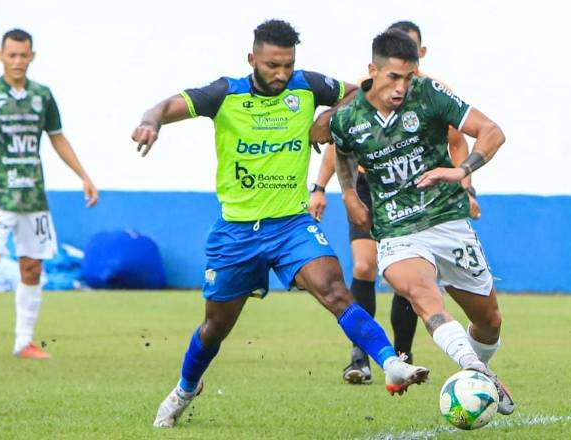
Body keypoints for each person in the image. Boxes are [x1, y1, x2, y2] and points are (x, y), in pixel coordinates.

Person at [131, 19, 429, 429]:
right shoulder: (225, 94)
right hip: (236, 232)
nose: (282, 74)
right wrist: (152, 122)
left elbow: (362, 91)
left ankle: (389, 362)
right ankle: (186, 386)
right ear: (252, 59)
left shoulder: (306, 86)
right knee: (215, 327)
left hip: (291, 225)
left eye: (288, 65)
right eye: (273, 65)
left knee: (335, 291)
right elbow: (165, 105)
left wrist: (327, 121)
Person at [330, 29, 514, 415]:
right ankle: (476, 371)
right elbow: (342, 153)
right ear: (372, 71)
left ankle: (478, 362)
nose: (401, 87)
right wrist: (348, 193)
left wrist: (461, 171)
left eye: (409, 77)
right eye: (394, 77)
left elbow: (492, 132)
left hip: (448, 221)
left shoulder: (429, 95)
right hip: (397, 231)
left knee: (489, 322)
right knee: (423, 295)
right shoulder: (347, 118)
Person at [309, 20, 480, 384]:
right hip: (372, 189)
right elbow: (339, 144)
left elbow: (457, 142)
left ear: (420, 55)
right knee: (365, 265)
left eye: (412, 62)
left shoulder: (431, 92)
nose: (402, 79)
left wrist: (468, 185)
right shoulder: (364, 95)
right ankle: (361, 356)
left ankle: (403, 353)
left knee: (413, 278)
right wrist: (324, 189)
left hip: (426, 193)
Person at [0, 29, 98, 360]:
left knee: (31, 268)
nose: (17, 61)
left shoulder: (42, 96)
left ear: (32, 56)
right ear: (0, 55)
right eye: (12, 55)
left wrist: (84, 176)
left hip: (33, 198)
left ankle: (23, 342)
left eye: (23, 55)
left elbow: (57, 137)